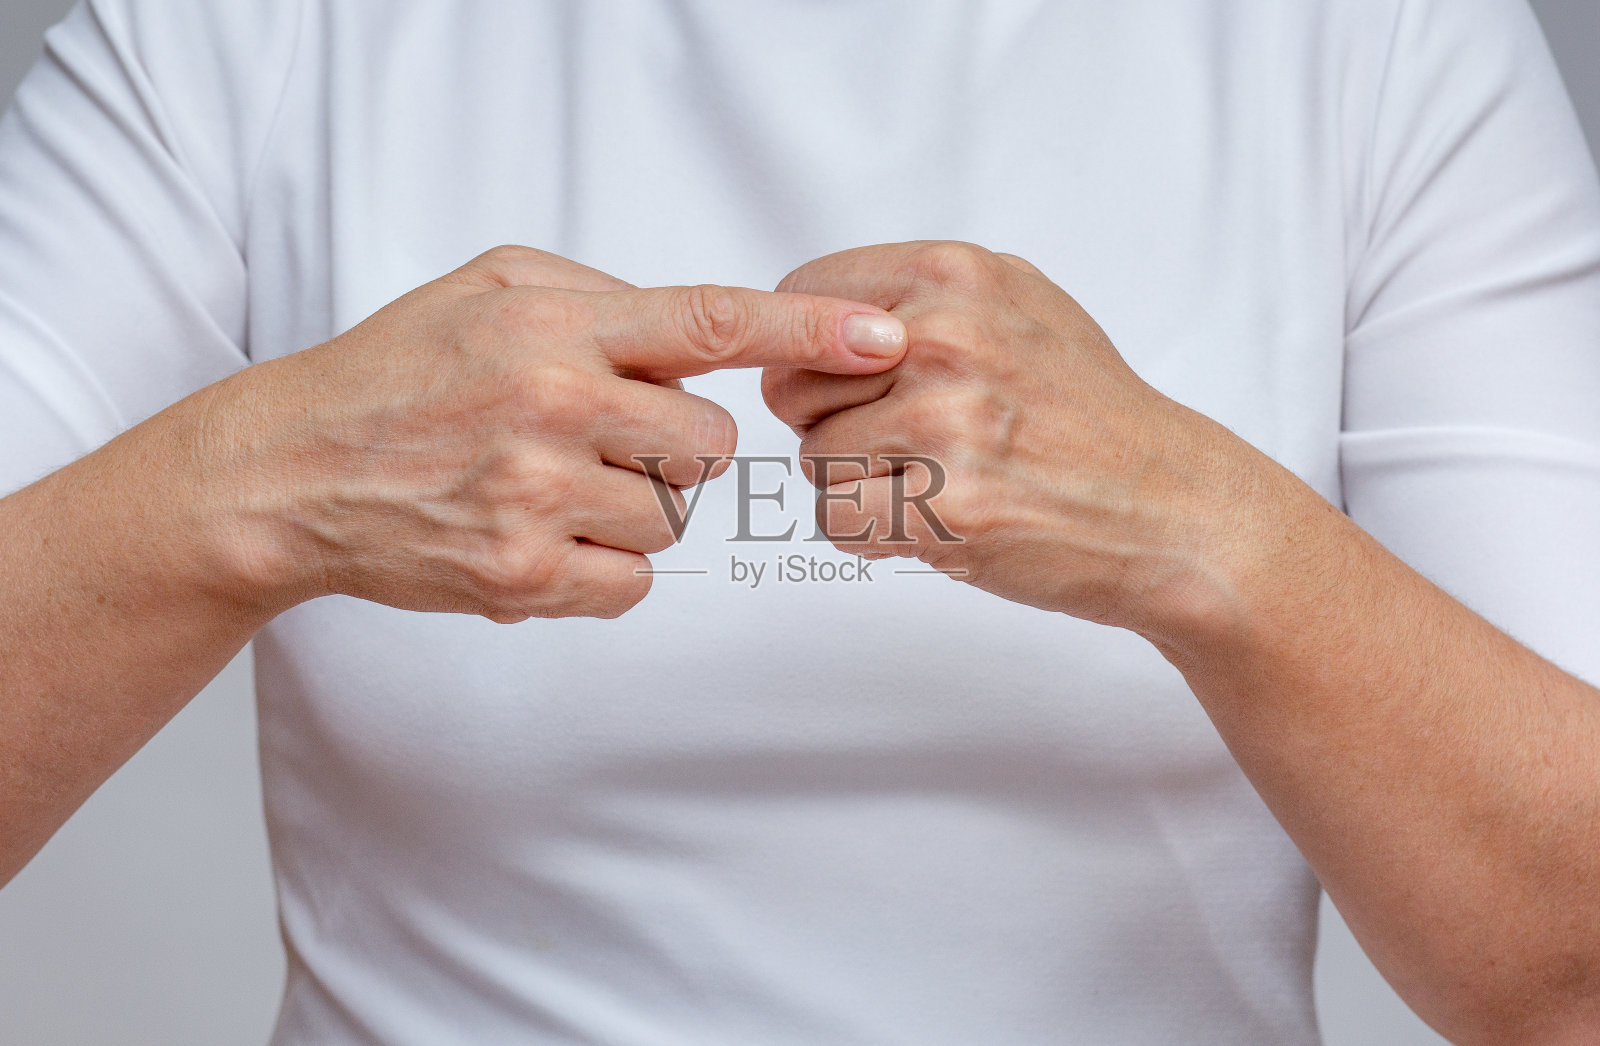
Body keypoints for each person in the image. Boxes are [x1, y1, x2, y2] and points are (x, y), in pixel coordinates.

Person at [2, 0, 1598, 1043]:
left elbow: (1570, 964)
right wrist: (262, 485)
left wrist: (1205, 530)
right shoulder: (247, 34)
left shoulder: (1378, 39)